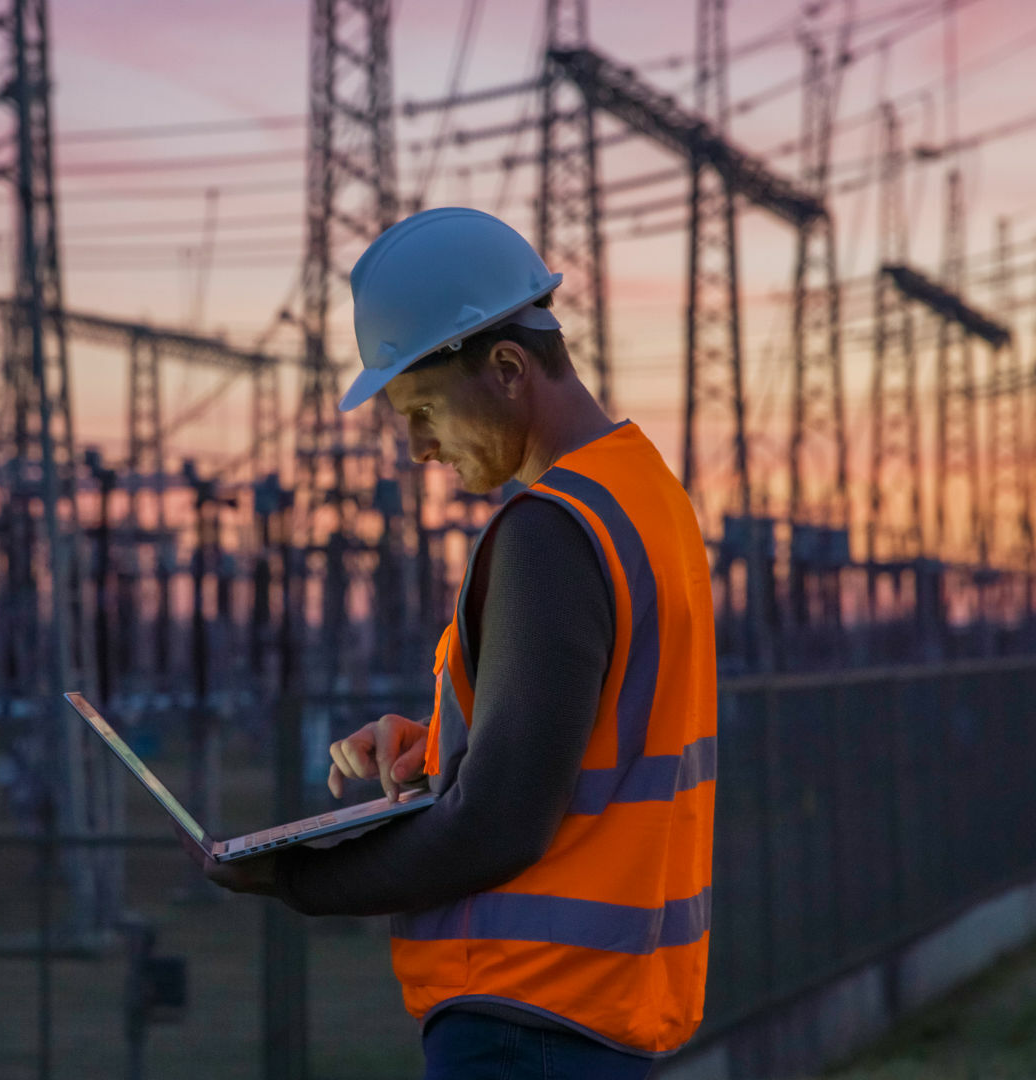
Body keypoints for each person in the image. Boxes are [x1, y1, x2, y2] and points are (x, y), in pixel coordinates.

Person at [174, 207, 718, 1078]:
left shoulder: (550, 532)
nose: (418, 448)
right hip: (600, 1013)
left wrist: (297, 878)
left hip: (523, 1021)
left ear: (507, 369)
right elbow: (592, 746)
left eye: (423, 409)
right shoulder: (646, 498)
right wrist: (443, 749)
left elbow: (500, 824)